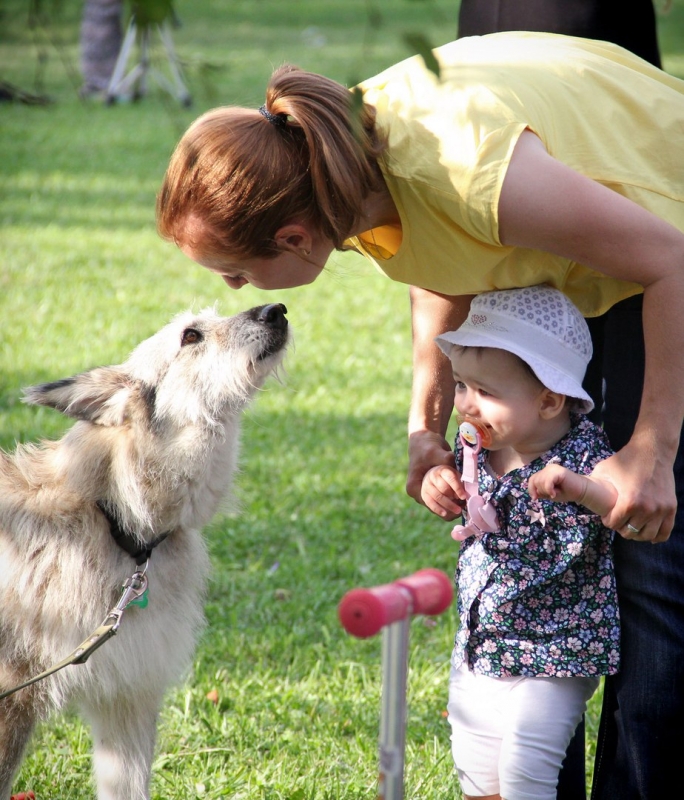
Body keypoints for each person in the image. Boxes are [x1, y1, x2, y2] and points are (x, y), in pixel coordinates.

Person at [156, 32, 684, 799]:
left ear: (294, 238)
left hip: (668, 240)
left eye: (236, 271)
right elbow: (437, 259)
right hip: (604, 250)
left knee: (653, 560)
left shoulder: (461, 162)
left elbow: (669, 258)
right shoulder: (336, 163)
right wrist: (423, 426)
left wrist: (653, 450)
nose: (239, 289)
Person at [421, 285, 618, 800]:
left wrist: (582, 490)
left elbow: (623, 508)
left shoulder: (582, 450)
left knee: (526, 768)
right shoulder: (477, 450)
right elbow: (461, 496)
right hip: (483, 640)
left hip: (558, 648)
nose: (465, 405)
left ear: (549, 400)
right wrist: (435, 483)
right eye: (461, 384)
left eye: (484, 392)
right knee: (476, 769)